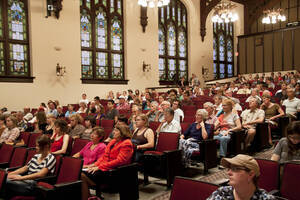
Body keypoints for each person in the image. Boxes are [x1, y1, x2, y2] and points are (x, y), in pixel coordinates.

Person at [81, 125, 134, 200]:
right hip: (105, 168)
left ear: (122, 133)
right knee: (80, 174)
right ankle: (89, 197)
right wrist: (93, 165)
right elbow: (104, 157)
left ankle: (88, 197)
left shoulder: (127, 143)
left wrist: (99, 167)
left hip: (114, 171)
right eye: (114, 130)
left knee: (81, 175)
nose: (113, 132)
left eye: (116, 131)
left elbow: (119, 161)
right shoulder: (113, 141)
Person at [5, 135, 56, 199]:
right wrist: (8, 174)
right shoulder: (36, 156)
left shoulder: (51, 158)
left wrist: (20, 178)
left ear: (45, 146)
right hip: (25, 180)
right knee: (4, 178)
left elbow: (41, 174)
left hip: (34, 184)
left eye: (38, 146)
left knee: (5, 181)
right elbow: (25, 168)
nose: (36, 147)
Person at [207, 154, 275, 200]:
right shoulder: (221, 193)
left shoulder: (265, 198)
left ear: (250, 175)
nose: (229, 172)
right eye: (229, 168)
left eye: (235, 169)